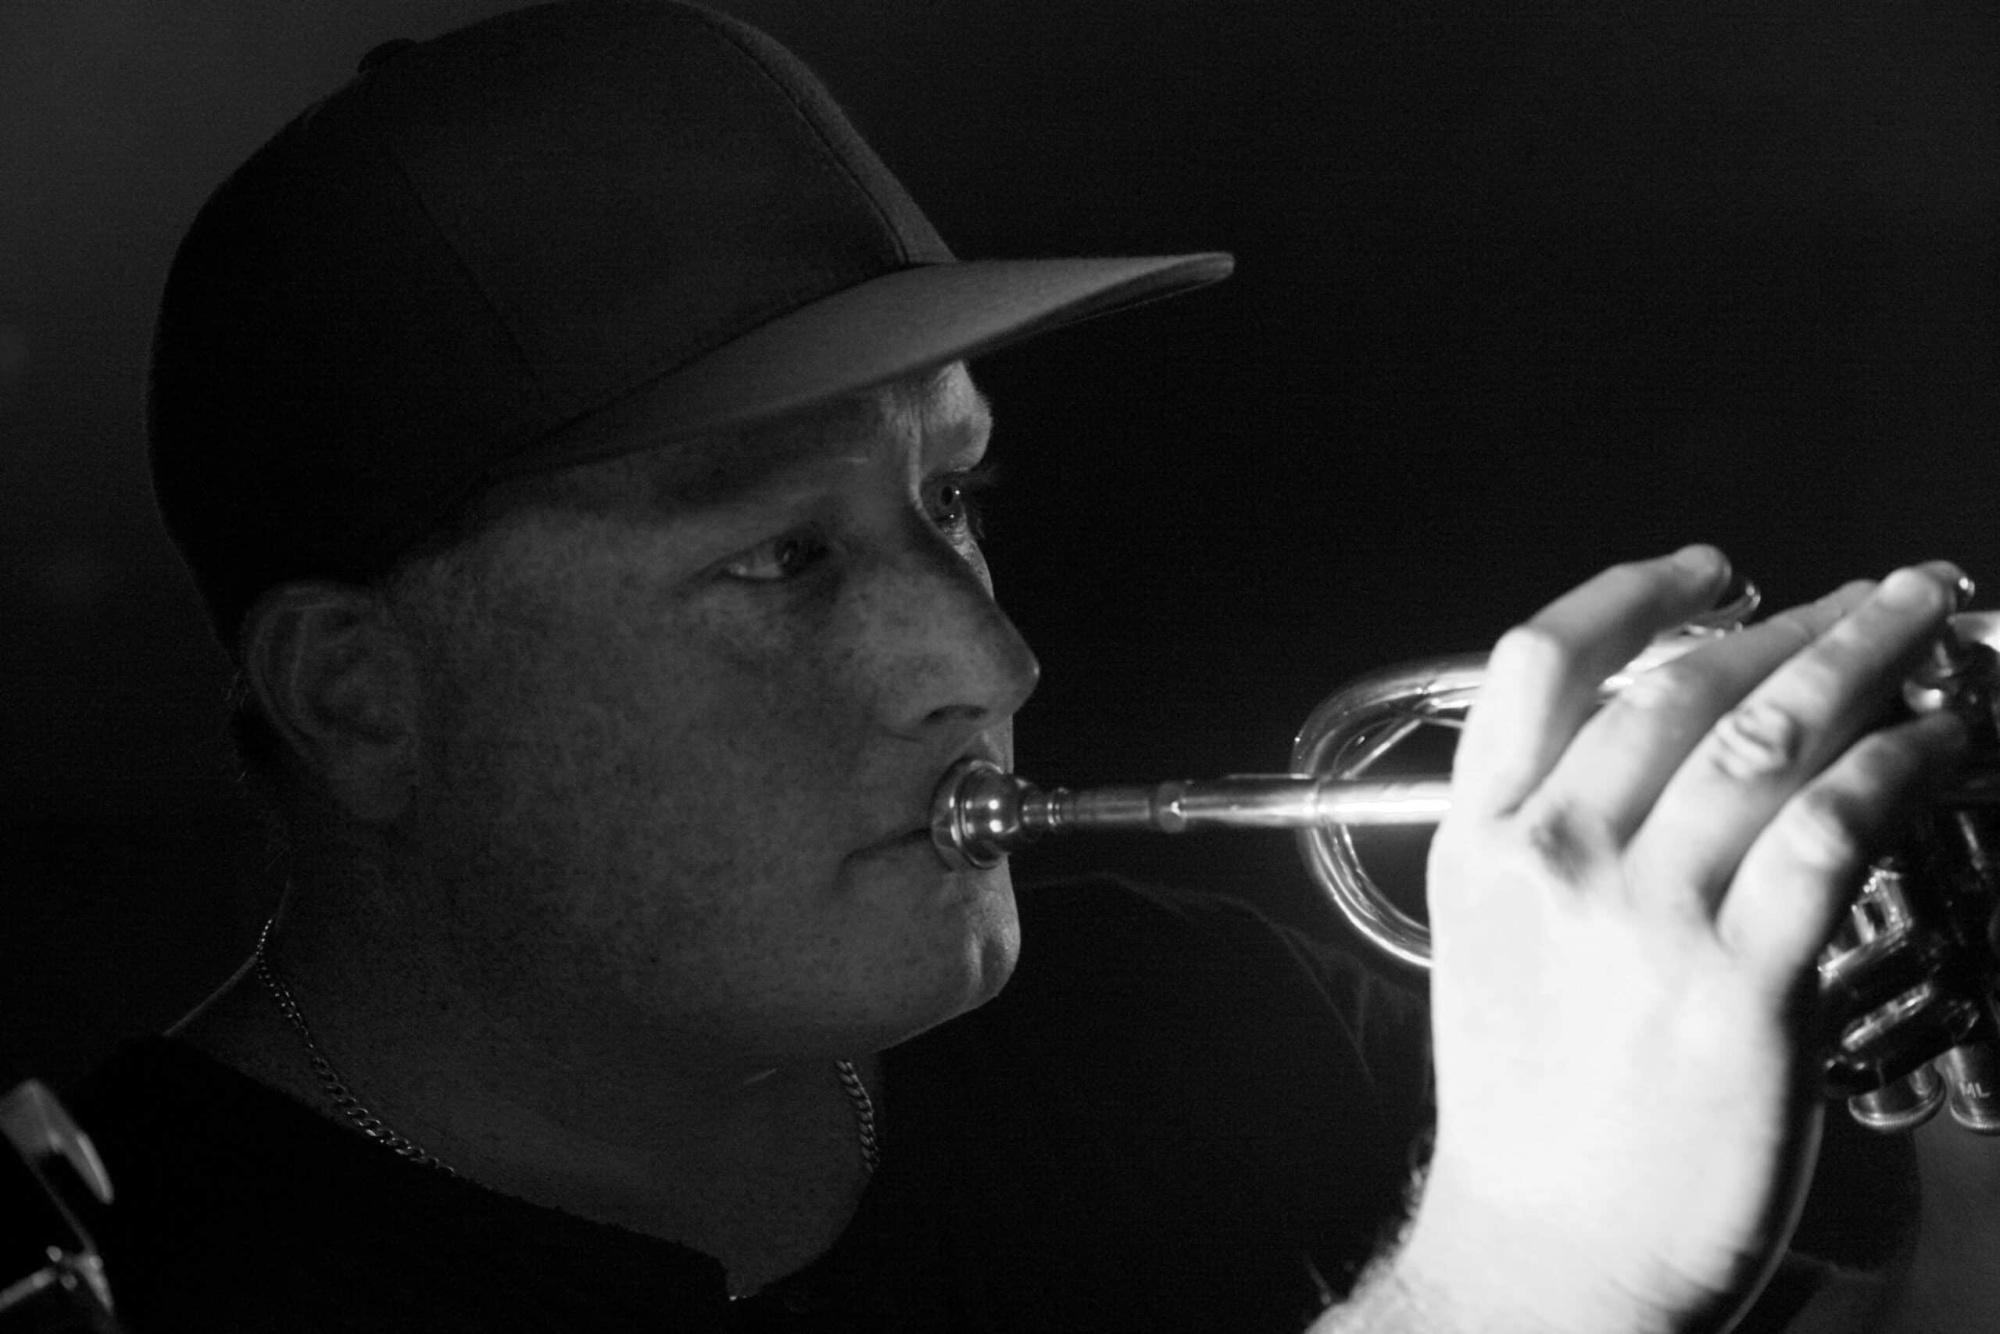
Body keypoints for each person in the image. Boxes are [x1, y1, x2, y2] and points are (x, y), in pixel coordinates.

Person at [37, 2, 1975, 1330]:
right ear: (362, 696)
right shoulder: (120, 1271)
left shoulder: (1179, 1014)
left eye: (949, 498)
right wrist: (1521, 1269)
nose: (987, 653)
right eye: (784, 555)